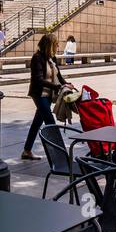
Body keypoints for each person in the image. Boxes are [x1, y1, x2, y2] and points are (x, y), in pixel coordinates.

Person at [21, 33, 65, 161]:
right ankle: (60, 155)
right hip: (39, 94)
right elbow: (38, 80)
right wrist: (55, 87)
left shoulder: (52, 58)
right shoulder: (37, 58)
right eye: (56, 43)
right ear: (50, 45)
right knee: (50, 122)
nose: (58, 46)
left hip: (48, 95)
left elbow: (59, 76)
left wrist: (66, 84)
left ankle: (26, 151)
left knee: (37, 123)